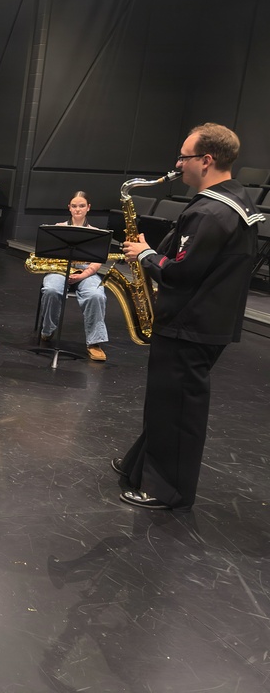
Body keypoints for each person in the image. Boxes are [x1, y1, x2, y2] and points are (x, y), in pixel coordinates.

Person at [116, 123, 264, 510]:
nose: (177, 164)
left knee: (178, 409)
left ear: (206, 160)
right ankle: (139, 466)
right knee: (167, 402)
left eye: (183, 157)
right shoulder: (233, 200)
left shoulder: (212, 212)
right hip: (203, 321)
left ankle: (168, 490)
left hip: (190, 325)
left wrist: (145, 255)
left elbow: (180, 272)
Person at [38, 192, 109, 362]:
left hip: (86, 272)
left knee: (96, 295)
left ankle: (94, 343)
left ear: (88, 208)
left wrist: (82, 275)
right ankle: (47, 330)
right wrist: (65, 270)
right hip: (60, 268)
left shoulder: (96, 233)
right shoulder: (58, 228)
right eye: (74, 206)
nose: (78, 209)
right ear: (69, 208)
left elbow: (97, 262)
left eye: (82, 206)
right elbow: (51, 255)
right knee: (51, 290)